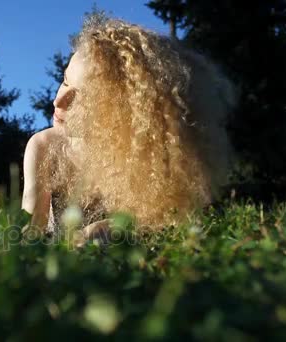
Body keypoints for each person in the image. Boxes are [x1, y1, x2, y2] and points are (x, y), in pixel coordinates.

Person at [22, 14, 235, 239]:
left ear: (121, 111)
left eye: (82, 98)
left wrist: (107, 228)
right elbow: (31, 227)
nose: (58, 101)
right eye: (65, 81)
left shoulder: (142, 156)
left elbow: (170, 220)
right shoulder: (45, 146)